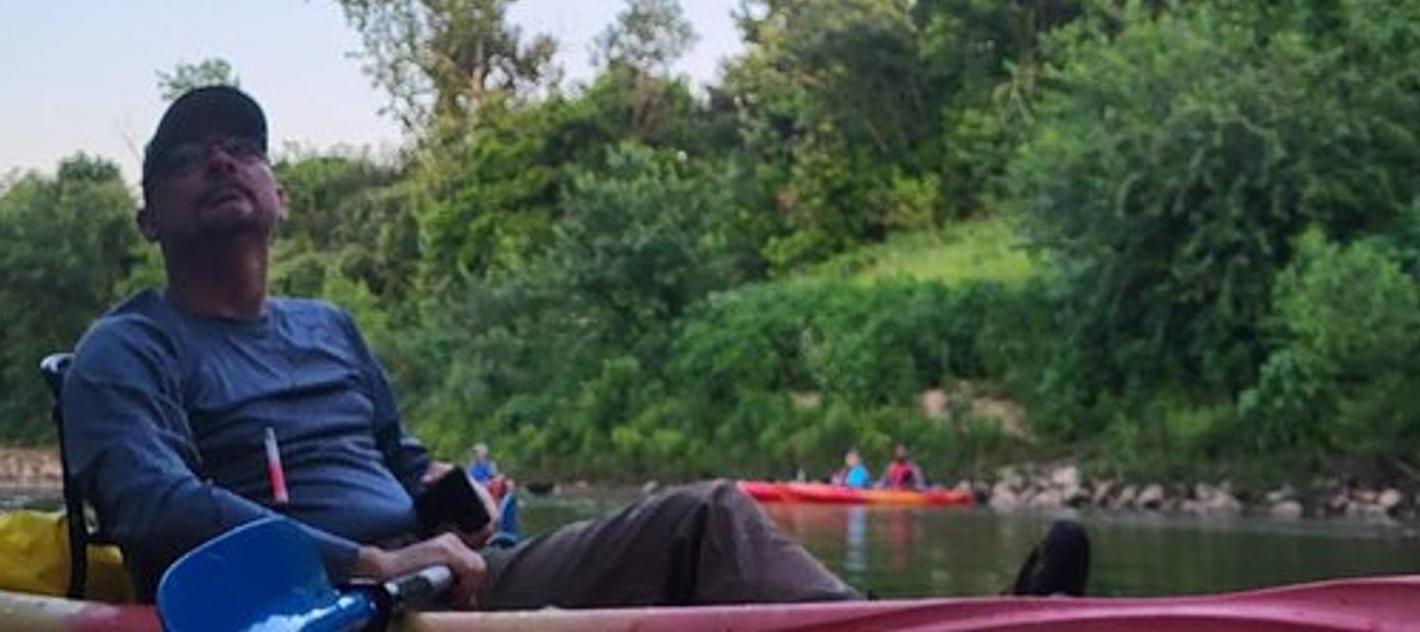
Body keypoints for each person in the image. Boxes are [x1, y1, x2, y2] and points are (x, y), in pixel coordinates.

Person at [64, 86, 862, 609]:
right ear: (149, 220)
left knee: (706, 521)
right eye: (183, 155)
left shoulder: (331, 328)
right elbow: (156, 507)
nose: (218, 158)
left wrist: (452, 502)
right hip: (310, 606)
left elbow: (402, 463)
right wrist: (365, 565)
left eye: (243, 143)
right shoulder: (126, 350)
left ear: (281, 195)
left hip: (448, 577)